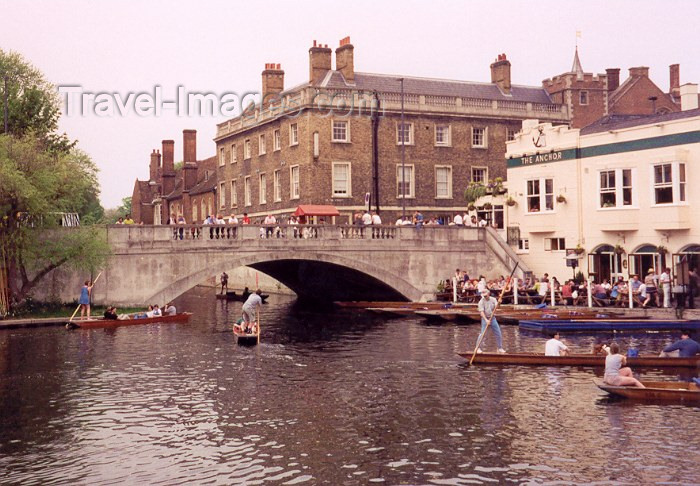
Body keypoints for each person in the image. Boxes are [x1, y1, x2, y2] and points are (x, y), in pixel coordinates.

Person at [475, 289, 505, 354]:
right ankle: (477, 348)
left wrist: (499, 302)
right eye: (484, 296)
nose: (485, 297)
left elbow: (497, 307)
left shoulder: (493, 299)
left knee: (498, 333)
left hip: (493, 318)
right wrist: (486, 320)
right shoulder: (481, 302)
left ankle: (499, 348)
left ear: (488, 294)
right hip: (485, 318)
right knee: (482, 334)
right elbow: (481, 312)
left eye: (486, 295)